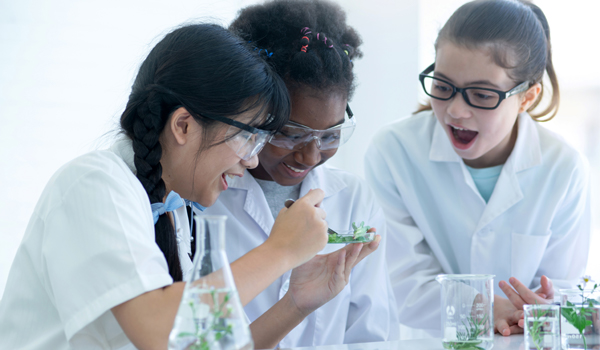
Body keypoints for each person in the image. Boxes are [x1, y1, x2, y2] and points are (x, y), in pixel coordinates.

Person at [0, 23, 378, 350]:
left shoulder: (177, 208)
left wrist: (296, 304)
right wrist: (280, 251)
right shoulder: (94, 185)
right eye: (248, 139)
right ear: (183, 125)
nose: (250, 160)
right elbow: (160, 333)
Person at [365, 0, 590, 337]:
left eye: (481, 95)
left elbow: (559, 292)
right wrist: (488, 308)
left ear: (527, 97)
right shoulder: (393, 152)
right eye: (442, 87)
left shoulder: (564, 168)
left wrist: (528, 313)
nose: (455, 111)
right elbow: (399, 279)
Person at [203, 0, 399, 348]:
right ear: (251, 112)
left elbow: (371, 334)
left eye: (330, 135)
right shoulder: (204, 198)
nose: (310, 154)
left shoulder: (352, 198)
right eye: (291, 133)